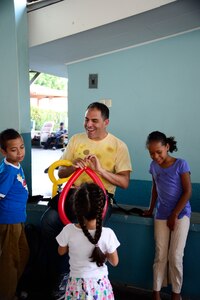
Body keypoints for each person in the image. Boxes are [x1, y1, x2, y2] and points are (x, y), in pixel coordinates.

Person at [40, 102, 132, 296]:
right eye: (86, 119)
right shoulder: (75, 140)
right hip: (72, 194)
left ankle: (83, 279)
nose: (88, 124)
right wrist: (73, 166)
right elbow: (62, 171)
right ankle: (62, 273)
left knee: (82, 229)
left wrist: (99, 171)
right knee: (48, 222)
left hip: (99, 197)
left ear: (106, 122)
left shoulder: (118, 146)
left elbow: (124, 182)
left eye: (94, 121)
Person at [143, 131, 192, 300]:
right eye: (151, 153)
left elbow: (187, 192)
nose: (155, 156)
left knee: (176, 255)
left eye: (159, 152)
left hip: (181, 214)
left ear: (167, 147)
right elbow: (155, 188)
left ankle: (176, 293)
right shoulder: (154, 166)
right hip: (161, 214)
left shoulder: (181, 164)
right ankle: (156, 291)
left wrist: (175, 214)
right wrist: (150, 209)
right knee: (160, 254)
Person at [56, 182, 120, 299]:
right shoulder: (108, 233)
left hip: (76, 287)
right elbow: (115, 262)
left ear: (76, 208)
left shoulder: (68, 230)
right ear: (102, 208)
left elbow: (61, 251)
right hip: (100, 287)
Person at [0, 129, 30, 300]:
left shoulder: (15, 166)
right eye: (14, 149)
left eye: (22, 147)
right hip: (9, 221)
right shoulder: (8, 171)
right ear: (4, 151)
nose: (20, 153)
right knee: (9, 262)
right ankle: (7, 295)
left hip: (17, 220)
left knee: (22, 254)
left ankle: (9, 288)